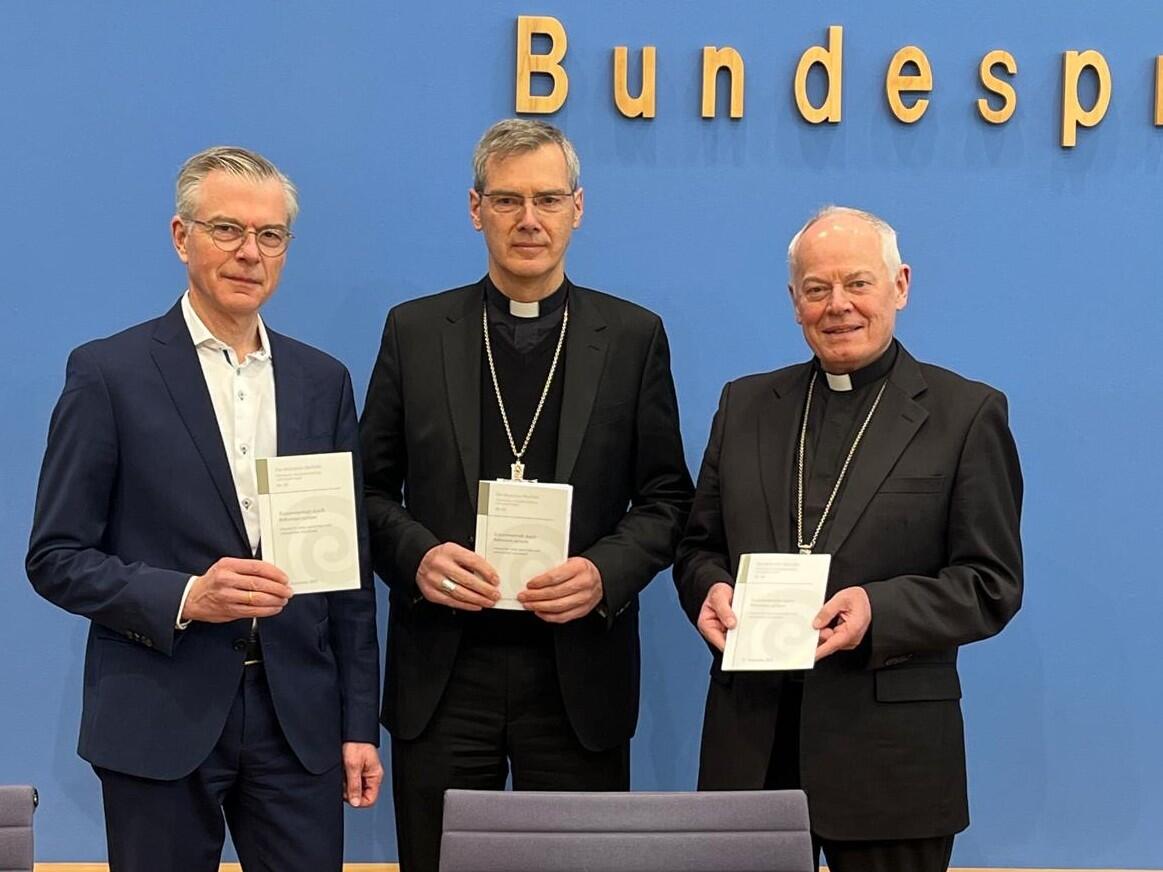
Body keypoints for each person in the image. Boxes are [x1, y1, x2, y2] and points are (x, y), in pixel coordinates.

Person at [26, 146, 382, 872]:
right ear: (181, 236)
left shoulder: (323, 381)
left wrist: (357, 723)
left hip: (298, 726)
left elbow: (348, 575)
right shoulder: (108, 374)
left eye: (270, 235)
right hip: (159, 712)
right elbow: (56, 558)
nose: (249, 253)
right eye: (227, 230)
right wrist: (187, 596)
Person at [360, 118, 694, 872]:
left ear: (578, 207)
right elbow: (368, 489)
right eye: (507, 200)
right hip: (444, 670)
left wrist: (604, 573)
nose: (529, 220)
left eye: (547, 199)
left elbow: (668, 497)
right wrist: (416, 558)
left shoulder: (634, 336)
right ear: (475, 209)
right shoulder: (414, 332)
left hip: (578, 670)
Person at [674, 206, 1023, 872]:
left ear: (900, 286)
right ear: (793, 301)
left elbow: (990, 583)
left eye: (857, 283)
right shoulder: (744, 405)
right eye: (816, 289)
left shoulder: (965, 414)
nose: (837, 306)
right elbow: (697, 547)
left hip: (890, 760)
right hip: (750, 748)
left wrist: (878, 610)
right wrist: (710, 589)